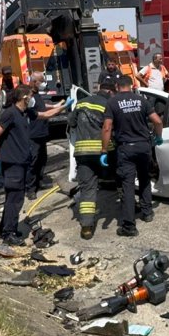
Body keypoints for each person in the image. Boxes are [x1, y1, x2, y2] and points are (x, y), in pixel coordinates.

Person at [101, 75, 164, 236]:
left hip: (126, 149)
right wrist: (158, 137)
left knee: (127, 186)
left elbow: (107, 127)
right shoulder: (141, 100)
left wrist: (104, 150)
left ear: (117, 86)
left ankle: (129, 226)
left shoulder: (112, 102)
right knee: (144, 178)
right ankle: (147, 212)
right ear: (131, 85)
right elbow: (157, 121)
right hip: (144, 147)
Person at [0, 86, 36, 246]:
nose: (32, 98)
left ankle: (6, 229)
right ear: (24, 97)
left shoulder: (23, 114)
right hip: (13, 163)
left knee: (13, 197)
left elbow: (43, 115)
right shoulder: (10, 113)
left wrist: (62, 107)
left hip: (20, 163)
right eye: (30, 95)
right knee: (15, 199)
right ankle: (8, 234)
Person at [69, 81, 115, 239]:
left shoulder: (81, 103)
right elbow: (111, 128)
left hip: (83, 153)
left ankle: (87, 227)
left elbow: (71, 123)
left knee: (87, 189)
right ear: (110, 92)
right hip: (104, 153)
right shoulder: (109, 105)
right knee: (121, 178)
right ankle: (130, 208)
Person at [24, 71, 71, 200]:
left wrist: (55, 105)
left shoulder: (36, 94)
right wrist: (62, 107)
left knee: (42, 159)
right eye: (42, 81)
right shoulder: (29, 95)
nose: (44, 83)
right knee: (33, 161)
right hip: (33, 134)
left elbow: (41, 105)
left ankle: (39, 182)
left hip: (41, 133)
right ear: (35, 82)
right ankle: (30, 189)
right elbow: (43, 114)